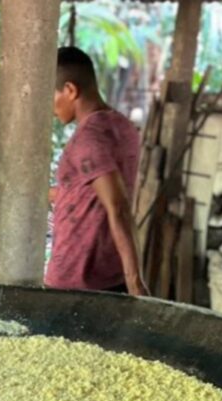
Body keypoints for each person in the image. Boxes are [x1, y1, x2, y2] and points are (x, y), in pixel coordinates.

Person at [46, 46, 147, 296]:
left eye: (50, 95)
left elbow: (118, 207)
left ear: (70, 90)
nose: (49, 107)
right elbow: (93, 195)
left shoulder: (88, 139)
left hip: (77, 280)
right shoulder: (122, 125)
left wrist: (136, 284)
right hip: (109, 273)